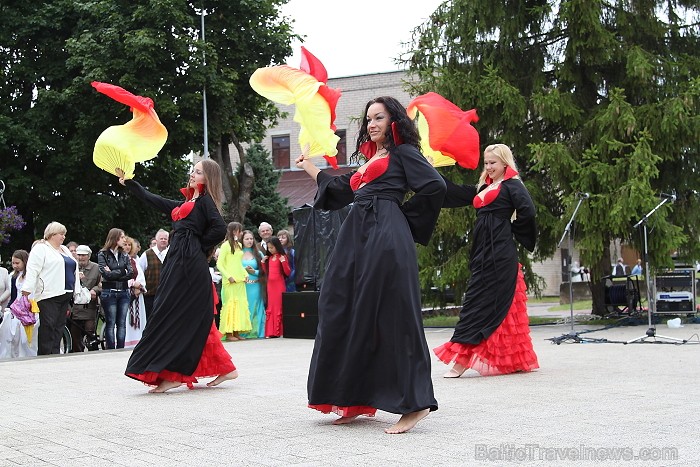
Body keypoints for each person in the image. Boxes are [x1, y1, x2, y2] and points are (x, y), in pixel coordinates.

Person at [294, 96, 446, 434]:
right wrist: (308, 164)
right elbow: (338, 189)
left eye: (378, 117)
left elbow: (434, 186)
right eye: (368, 119)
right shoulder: (370, 158)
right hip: (356, 237)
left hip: (385, 234)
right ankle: (352, 397)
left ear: (394, 121)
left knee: (392, 314)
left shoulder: (403, 153)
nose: (371, 123)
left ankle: (415, 403)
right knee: (341, 306)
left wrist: (401, 218)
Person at [119, 159, 237, 393]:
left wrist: (197, 246)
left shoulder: (204, 201)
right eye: (193, 170)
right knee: (178, 313)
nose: (193, 174)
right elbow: (154, 200)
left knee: (174, 313)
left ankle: (175, 374)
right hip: (178, 262)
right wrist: (130, 183)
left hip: (189, 264)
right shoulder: (186, 203)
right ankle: (224, 368)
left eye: (199, 172)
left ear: (208, 178)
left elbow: (219, 229)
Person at [433, 143, 539, 378]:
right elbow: (453, 191)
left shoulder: (512, 186)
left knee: (478, 303)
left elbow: (528, 212)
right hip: (482, 253)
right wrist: (430, 174)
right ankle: (514, 359)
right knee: (490, 302)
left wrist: (508, 229)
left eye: (493, 162)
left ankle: (460, 360)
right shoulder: (483, 187)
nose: (489, 167)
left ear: (504, 163)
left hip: (500, 253)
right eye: (486, 163)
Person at [21, 222, 81, 355]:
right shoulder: (41, 249)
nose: (63, 237)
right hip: (48, 294)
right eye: (61, 234)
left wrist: (77, 290)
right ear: (52, 234)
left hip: (65, 293)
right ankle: (45, 354)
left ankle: (55, 353)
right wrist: (26, 291)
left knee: (59, 326)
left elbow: (73, 267)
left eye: (64, 234)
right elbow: (33, 270)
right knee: (48, 326)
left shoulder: (64, 250)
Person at [97, 228, 133, 350]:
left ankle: (121, 349)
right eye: (122, 237)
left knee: (122, 324)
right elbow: (105, 274)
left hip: (124, 292)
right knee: (110, 323)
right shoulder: (103, 254)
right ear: (115, 238)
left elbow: (130, 273)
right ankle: (111, 349)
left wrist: (114, 272)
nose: (124, 239)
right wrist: (122, 272)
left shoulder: (124, 255)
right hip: (109, 292)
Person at [216, 222, 251, 341]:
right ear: (233, 231)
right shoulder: (225, 245)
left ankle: (236, 332)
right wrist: (228, 276)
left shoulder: (239, 245)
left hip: (240, 280)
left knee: (240, 305)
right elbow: (219, 264)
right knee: (230, 305)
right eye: (239, 231)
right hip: (230, 281)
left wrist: (245, 274)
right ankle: (229, 333)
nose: (241, 233)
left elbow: (239, 264)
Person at [69, 245, 102, 352]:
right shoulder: (72, 267)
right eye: (79, 255)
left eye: (84, 255)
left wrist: (95, 290)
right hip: (75, 307)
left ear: (89, 256)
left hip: (90, 306)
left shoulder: (96, 268)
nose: (81, 257)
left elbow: (101, 283)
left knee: (90, 332)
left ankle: (92, 351)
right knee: (75, 334)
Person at [261, 237, 290, 339]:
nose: (270, 250)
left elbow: (287, 272)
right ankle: (270, 332)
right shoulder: (269, 258)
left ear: (277, 246)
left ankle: (278, 331)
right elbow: (267, 273)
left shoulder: (282, 257)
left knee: (278, 307)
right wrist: (263, 263)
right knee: (271, 307)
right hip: (270, 285)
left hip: (279, 284)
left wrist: (283, 262)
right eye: (269, 248)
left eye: (272, 247)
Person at [138, 229, 169, 320]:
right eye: (161, 238)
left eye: (165, 239)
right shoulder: (147, 254)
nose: (163, 240)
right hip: (150, 295)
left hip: (167, 294)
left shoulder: (171, 254)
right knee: (150, 319)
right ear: (156, 240)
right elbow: (139, 272)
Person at [240, 230, 266, 339]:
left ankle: (260, 332)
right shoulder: (238, 253)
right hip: (242, 286)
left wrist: (254, 272)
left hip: (256, 285)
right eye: (247, 239)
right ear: (242, 240)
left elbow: (265, 271)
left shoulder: (258, 253)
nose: (249, 241)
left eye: (251, 239)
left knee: (258, 307)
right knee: (245, 307)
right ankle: (243, 332)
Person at [124, 237, 147, 347]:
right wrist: (132, 284)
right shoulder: (117, 260)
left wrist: (139, 286)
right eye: (125, 244)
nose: (127, 247)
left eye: (129, 245)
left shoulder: (134, 261)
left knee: (138, 322)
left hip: (137, 297)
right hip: (124, 295)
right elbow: (118, 276)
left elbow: (141, 276)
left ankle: (137, 343)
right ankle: (125, 343)